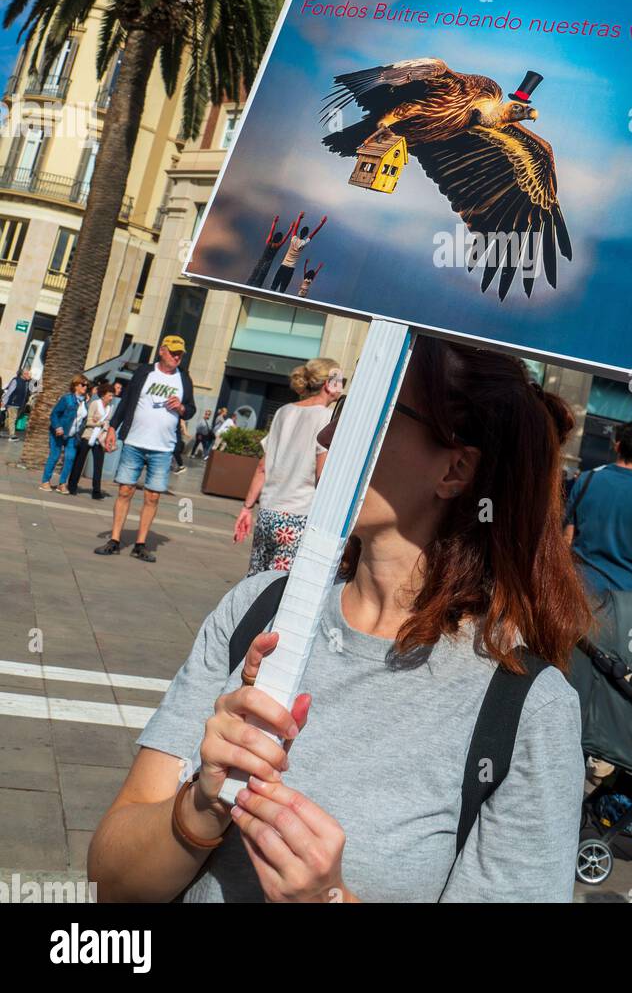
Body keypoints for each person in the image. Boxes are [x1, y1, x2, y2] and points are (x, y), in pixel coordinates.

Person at [88, 337, 591, 904]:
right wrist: (201, 807)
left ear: (455, 469)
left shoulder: (526, 707)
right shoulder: (255, 608)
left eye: (369, 414)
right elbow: (109, 883)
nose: (326, 436)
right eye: (341, 408)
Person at [233, 363, 344, 575]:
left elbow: (262, 466)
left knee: (254, 582)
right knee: (277, 589)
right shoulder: (327, 418)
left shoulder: (284, 411)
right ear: (329, 385)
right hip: (297, 517)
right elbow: (322, 475)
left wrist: (247, 508)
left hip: (268, 512)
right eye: (341, 381)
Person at [95, 337, 196, 563]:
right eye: (173, 352)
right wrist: (112, 428)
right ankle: (114, 539)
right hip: (135, 442)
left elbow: (190, 410)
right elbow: (126, 401)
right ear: (162, 351)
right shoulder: (144, 372)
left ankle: (140, 544)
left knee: (152, 497)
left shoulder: (184, 378)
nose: (177, 357)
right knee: (124, 491)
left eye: (180, 354)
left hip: (163, 447)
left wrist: (180, 407)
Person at [563, 423, 632, 599]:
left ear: (617, 446)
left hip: (580, 587)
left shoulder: (586, 481)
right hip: (626, 596)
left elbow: (567, 538)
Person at [67, 380, 115, 499]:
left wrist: (104, 426)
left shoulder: (110, 408)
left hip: (100, 439)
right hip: (88, 436)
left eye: (112, 395)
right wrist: (101, 423)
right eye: (110, 395)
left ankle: (96, 491)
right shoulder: (95, 404)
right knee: (79, 462)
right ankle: (72, 486)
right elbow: (88, 421)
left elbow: (108, 423)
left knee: (99, 465)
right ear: (103, 395)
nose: (111, 397)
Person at [40, 376, 89, 493]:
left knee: (70, 458)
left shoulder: (84, 402)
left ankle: (62, 484)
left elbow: (82, 419)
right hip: (59, 433)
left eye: (87, 385)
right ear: (76, 385)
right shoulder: (66, 399)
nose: (86, 387)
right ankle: (45, 481)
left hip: (72, 435)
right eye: (83, 385)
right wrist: (58, 427)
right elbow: (54, 414)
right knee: (54, 456)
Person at [270, 213, 327, 293]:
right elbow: (313, 234)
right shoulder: (304, 243)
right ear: (306, 235)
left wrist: (299, 218)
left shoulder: (294, 239)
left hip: (283, 265)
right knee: (282, 290)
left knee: (273, 287)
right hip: (290, 269)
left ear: (300, 232)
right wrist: (322, 223)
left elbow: (295, 229)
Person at [247, 213, 298, 288]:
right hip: (268, 263)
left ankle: (247, 287)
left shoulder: (269, 242)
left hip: (261, 261)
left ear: (274, 237)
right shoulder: (278, 245)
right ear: (280, 239)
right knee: (260, 279)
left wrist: (274, 222)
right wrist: (291, 228)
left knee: (253, 276)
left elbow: (271, 232)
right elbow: (285, 238)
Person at [0, 367, 32, 438]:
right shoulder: (16, 380)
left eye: (29, 373)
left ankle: (9, 432)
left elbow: (34, 389)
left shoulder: (27, 382)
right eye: (27, 373)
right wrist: (3, 402)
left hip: (20, 404)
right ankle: (12, 435)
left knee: (12, 418)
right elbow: (9, 392)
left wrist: (31, 380)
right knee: (12, 419)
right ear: (23, 374)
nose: (28, 375)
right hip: (13, 403)